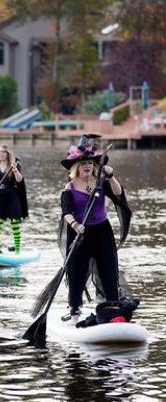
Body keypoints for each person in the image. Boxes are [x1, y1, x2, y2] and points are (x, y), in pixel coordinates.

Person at [59, 135, 132, 324]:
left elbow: (118, 194)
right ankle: (75, 312)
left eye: (90, 162)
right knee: (77, 273)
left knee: (109, 270)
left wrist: (111, 176)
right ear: (76, 166)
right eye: (83, 163)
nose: (87, 166)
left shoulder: (101, 181)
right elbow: (66, 211)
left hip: (103, 232)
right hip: (80, 234)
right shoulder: (70, 186)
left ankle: (114, 310)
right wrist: (75, 224)